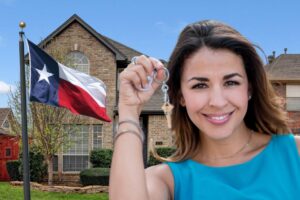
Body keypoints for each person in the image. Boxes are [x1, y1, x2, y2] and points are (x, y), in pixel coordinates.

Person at [109, 20, 300, 200]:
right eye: (200, 85)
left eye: (231, 82)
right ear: (181, 96)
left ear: (249, 88)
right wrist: (129, 111)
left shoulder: (295, 154)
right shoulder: (167, 180)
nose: (217, 102)